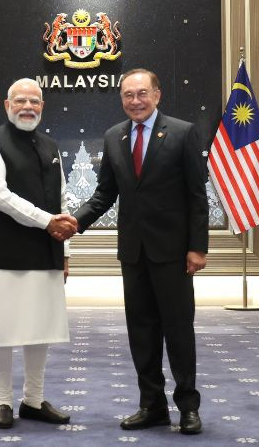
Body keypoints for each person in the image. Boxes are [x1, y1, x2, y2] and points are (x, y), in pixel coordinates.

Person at [73, 68, 209, 434]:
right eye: (128, 95)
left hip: (173, 253)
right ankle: (152, 406)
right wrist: (74, 222)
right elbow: (104, 194)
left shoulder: (182, 133)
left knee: (178, 332)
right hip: (133, 254)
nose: (136, 101)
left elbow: (197, 197)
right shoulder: (114, 136)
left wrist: (197, 247)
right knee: (141, 333)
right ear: (121, 99)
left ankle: (188, 408)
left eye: (142, 93)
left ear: (157, 95)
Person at [0, 78, 77, 429]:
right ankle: (2, 400)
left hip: (46, 252)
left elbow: (62, 200)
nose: (27, 107)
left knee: (39, 327)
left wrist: (65, 252)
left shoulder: (51, 146)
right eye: (20, 101)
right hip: (3, 252)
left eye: (34, 101)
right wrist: (47, 222)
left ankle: (33, 400)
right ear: (7, 105)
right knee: (1, 328)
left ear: (42, 107)